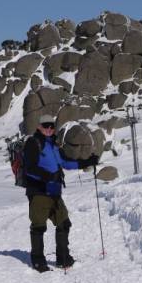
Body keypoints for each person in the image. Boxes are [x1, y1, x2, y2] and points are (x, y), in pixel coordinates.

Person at [24, 114, 98, 273]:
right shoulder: (33, 142)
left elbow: (65, 163)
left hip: (55, 192)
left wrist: (86, 162)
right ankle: (38, 261)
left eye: (51, 126)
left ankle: (63, 258)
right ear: (39, 127)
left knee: (64, 224)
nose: (49, 129)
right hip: (39, 192)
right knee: (38, 227)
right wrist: (47, 176)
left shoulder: (55, 145)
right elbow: (29, 168)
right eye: (46, 126)